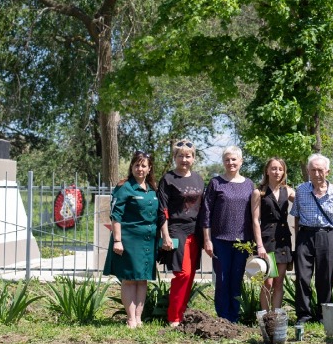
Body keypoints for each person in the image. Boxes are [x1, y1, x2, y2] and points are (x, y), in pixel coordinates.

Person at [103, 150, 159, 328]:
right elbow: (116, 215)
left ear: (149, 168)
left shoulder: (153, 190)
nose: (140, 169)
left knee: (142, 279)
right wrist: (118, 240)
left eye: (143, 165)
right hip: (128, 239)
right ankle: (130, 319)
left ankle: (139, 318)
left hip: (147, 240)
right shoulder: (124, 187)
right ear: (132, 167)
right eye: (136, 165)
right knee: (129, 279)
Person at [200, 146, 255, 323]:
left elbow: (254, 215)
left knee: (237, 278)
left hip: (242, 240)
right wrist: (207, 240)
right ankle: (223, 317)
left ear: (241, 161)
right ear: (223, 162)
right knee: (222, 279)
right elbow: (206, 213)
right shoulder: (216, 183)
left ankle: (235, 316)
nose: (230, 163)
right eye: (227, 159)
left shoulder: (249, 184)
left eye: (234, 159)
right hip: (220, 240)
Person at [156, 139, 205, 327]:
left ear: (193, 158)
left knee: (191, 274)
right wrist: (165, 235)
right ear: (174, 157)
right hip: (176, 231)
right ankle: (173, 317)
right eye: (180, 156)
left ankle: (182, 314)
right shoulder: (168, 179)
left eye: (188, 156)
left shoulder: (199, 179)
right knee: (182, 274)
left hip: (196, 231)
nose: (184, 159)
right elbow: (163, 209)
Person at [291, 153, 333, 325]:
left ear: (327, 171)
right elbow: (296, 216)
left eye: (320, 170)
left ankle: (324, 315)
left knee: (325, 277)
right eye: (313, 170)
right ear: (308, 171)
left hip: (327, 235)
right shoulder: (301, 190)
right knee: (302, 277)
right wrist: (298, 239)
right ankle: (303, 315)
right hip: (305, 236)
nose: (317, 174)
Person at [250, 157, 296, 311]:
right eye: (274, 168)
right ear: (267, 171)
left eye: (280, 169)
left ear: (284, 172)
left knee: (278, 282)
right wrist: (260, 246)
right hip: (267, 240)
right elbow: (256, 220)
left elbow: (304, 202)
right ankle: (264, 315)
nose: (277, 172)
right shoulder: (259, 192)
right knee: (267, 282)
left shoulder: (288, 191)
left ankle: (275, 316)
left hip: (283, 240)